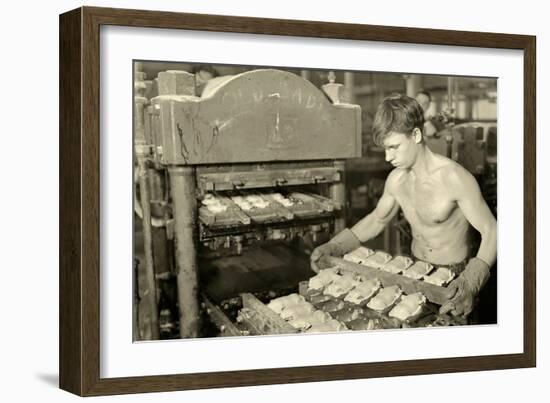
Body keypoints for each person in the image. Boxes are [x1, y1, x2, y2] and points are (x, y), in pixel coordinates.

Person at [310, 94, 497, 318]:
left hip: (454, 277)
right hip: (413, 269)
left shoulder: (454, 178)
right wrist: (336, 246)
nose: (388, 157)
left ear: (416, 135)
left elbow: (492, 231)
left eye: (394, 147)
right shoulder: (397, 180)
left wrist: (471, 281)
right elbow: (376, 219)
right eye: (385, 149)